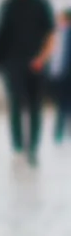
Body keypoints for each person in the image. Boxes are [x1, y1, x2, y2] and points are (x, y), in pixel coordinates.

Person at [0, 0, 55, 165]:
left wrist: (42, 58)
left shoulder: (40, 3)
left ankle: (32, 146)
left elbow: (51, 34)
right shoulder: (9, 5)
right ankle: (18, 146)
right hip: (13, 62)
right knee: (16, 104)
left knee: (35, 107)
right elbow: (1, 33)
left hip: (36, 63)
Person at [50, 9, 71, 143]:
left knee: (64, 106)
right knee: (62, 105)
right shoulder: (58, 33)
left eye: (61, 18)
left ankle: (61, 132)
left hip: (67, 75)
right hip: (60, 75)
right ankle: (59, 133)